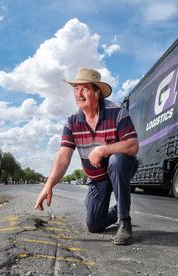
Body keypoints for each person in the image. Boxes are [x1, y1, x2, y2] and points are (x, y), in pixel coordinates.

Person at [35, 67, 139, 245]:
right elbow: (64, 155)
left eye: (84, 88)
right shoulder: (72, 122)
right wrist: (48, 185)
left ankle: (125, 222)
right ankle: (118, 211)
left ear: (97, 92)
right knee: (94, 224)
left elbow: (132, 145)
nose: (78, 93)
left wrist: (102, 150)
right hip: (97, 178)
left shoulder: (117, 112)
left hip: (120, 167)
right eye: (76, 88)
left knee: (116, 160)